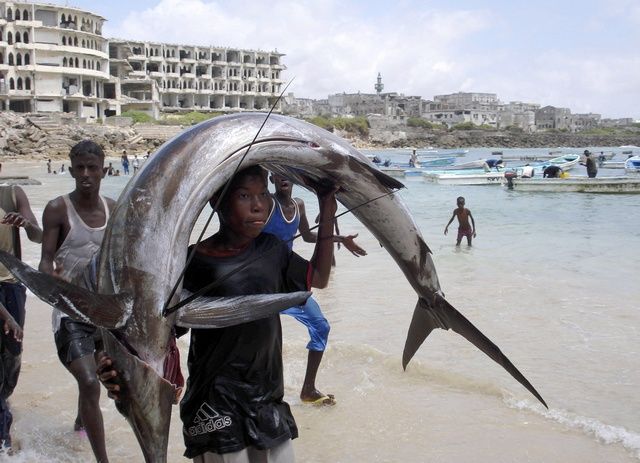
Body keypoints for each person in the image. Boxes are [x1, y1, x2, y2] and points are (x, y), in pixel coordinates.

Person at [98, 165, 337, 462]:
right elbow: (157, 333)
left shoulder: (273, 249)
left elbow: (320, 278)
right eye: (244, 195)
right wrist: (116, 367)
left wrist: (328, 208)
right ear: (217, 202)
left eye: (263, 193)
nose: (259, 205)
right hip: (213, 400)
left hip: (266, 395)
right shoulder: (192, 261)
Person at [39, 140, 115, 463]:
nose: (86, 174)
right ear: (70, 170)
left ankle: (80, 421)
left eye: (92, 168)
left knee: (112, 385)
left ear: (104, 170)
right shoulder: (57, 209)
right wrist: (51, 276)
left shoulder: (114, 208)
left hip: (104, 314)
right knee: (89, 380)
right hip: (69, 313)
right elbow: (44, 261)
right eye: (80, 168)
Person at [263, 173, 366, 406]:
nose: (283, 179)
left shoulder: (298, 204)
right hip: (262, 277)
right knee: (266, 336)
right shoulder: (266, 203)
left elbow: (309, 236)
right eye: (277, 175)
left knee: (321, 326)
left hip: (288, 276)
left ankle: (308, 389)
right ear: (271, 179)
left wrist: (341, 239)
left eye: (287, 174)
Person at [0, 168, 43, 452]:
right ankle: (3, 434)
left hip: (11, 285)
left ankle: (4, 400)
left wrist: (26, 223)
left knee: (12, 357)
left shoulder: (12, 194)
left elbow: (38, 237)